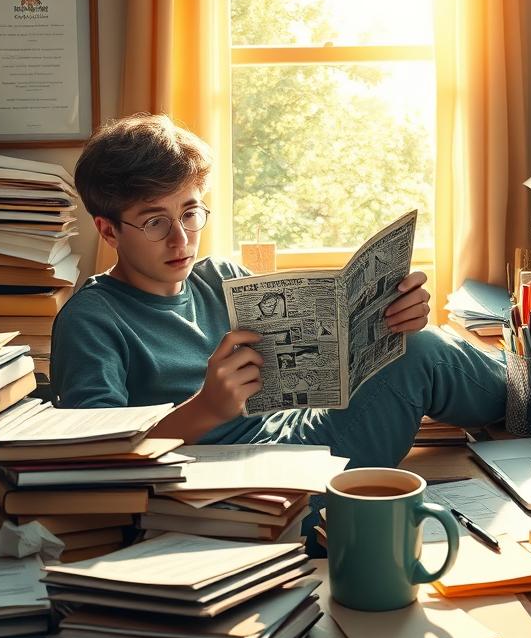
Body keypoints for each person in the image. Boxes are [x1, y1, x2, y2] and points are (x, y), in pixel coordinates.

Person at [50, 114, 507, 467]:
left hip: (302, 429)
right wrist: (206, 408)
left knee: (412, 341)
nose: (181, 238)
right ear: (108, 232)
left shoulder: (222, 277)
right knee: (422, 355)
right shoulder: (91, 320)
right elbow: (97, 458)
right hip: (236, 478)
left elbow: (315, 365)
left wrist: (389, 320)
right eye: (154, 222)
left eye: (190, 213)